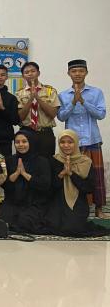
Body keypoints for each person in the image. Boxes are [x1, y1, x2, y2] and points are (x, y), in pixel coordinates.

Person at [57, 59, 107, 219]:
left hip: (92, 139)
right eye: (74, 71)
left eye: (81, 71)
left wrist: (84, 102)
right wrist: (73, 103)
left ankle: (99, 208)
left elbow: (101, 114)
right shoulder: (63, 95)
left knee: (96, 175)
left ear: (86, 72)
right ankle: (81, 208)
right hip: (72, 143)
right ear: (68, 73)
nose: (77, 74)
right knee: (75, 176)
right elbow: (61, 116)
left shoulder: (96, 92)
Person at [45, 130, 110, 237]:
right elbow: (49, 188)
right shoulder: (53, 160)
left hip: (78, 201)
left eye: (70, 142)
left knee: (73, 228)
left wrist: (71, 173)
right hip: (57, 201)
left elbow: (89, 188)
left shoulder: (85, 162)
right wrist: (62, 174)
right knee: (53, 226)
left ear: (76, 143)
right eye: (62, 142)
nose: (66, 145)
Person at [0, 130, 51, 234]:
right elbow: (4, 185)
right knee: (5, 219)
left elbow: (45, 185)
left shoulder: (42, 161)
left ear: (31, 142)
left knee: (25, 221)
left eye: (24, 141)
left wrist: (25, 175)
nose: (21, 145)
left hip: (34, 203)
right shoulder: (10, 160)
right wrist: (16, 174)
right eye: (17, 142)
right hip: (13, 202)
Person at [16, 62, 60, 158]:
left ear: (38, 73)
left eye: (33, 71)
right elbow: (20, 117)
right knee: (27, 162)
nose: (30, 74)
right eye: (26, 72)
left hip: (45, 133)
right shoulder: (19, 93)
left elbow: (53, 114)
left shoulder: (50, 91)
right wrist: (31, 99)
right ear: (23, 76)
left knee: (47, 162)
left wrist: (38, 98)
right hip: (26, 133)